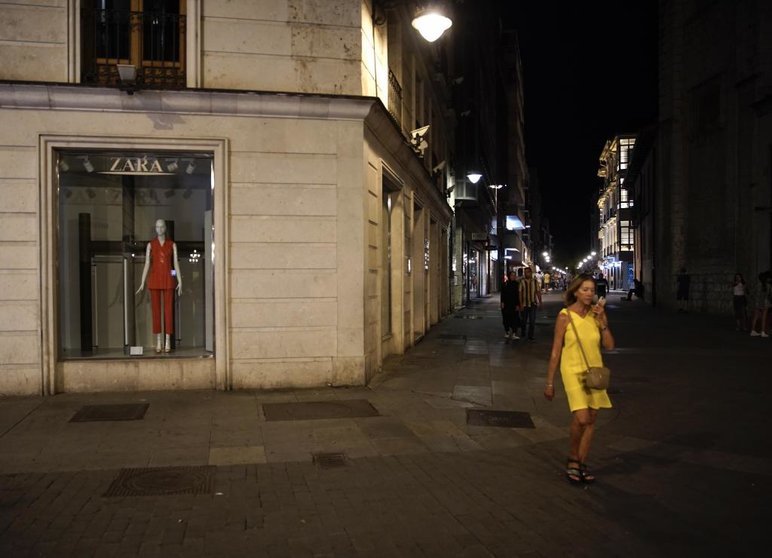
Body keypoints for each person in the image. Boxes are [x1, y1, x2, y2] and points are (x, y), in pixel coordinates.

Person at [544, 274, 614, 484]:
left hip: (594, 370)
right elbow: (556, 350)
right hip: (572, 370)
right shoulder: (565, 315)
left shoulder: (596, 315)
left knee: (591, 418)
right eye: (584, 289)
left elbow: (609, 346)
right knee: (582, 417)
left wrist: (603, 322)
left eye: (592, 290)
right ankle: (573, 457)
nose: (589, 293)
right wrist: (549, 382)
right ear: (575, 291)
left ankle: (581, 462)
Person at [137, 219, 182, 353]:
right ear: (155, 228)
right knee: (156, 311)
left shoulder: (172, 245)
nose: (160, 229)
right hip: (155, 278)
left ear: (165, 228)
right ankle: (158, 340)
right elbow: (147, 264)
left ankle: (167, 340)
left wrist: (180, 280)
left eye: (162, 227)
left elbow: (175, 264)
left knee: (168, 310)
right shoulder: (151, 245)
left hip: (168, 278)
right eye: (157, 227)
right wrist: (142, 281)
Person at [519, 267, 542, 340]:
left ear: (531, 272)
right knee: (524, 321)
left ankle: (530, 335)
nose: (527, 273)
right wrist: (521, 304)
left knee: (532, 321)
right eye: (525, 272)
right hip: (524, 304)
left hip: (533, 304)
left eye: (528, 272)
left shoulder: (535, 281)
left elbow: (538, 292)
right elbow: (520, 293)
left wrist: (540, 302)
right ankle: (523, 332)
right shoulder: (522, 281)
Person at [749, 270, 771, 338]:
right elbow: (770, 295)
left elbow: (751, 293)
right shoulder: (768, 285)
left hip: (757, 302)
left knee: (755, 317)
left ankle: (753, 331)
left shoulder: (757, 284)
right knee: (764, 318)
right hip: (765, 303)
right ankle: (763, 332)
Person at [500, 271, 521, 341]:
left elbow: (518, 295)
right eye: (512, 275)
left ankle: (514, 333)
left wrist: (518, 304)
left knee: (515, 318)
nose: (513, 277)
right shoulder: (505, 284)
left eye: (514, 275)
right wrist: (502, 303)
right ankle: (507, 331)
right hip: (506, 304)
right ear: (509, 276)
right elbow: (502, 294)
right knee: (506, 318)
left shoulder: (517, 284)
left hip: (514, 304)